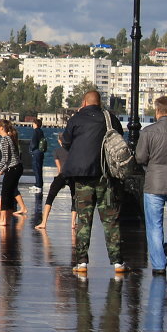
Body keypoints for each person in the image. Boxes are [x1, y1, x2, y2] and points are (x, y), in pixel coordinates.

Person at [60, 90, 127, 275]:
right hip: (106, 176)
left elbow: (66, 142)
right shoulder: (110, 118)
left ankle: (81, 263)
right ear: (100, 103)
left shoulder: (76, 119)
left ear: (84, 102)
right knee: (111, 220)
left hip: (82, 177)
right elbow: (119, 139)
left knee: (84, 219)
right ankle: (118, 263)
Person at [135, 95, 167, 276]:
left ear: (157, 111)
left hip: (154, 182)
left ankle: (159, 265)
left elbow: (140, 157)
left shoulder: (148, 132)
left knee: (154, 225)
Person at [0, 119, 25, 226]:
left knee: (5, 193)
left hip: (13, 168)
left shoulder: (5, 139)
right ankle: (6, 219)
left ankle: (3, 220)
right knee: (9, 193)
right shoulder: (9, 138)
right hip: (16, 168)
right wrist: (3, 171)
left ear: (2, 128)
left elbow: (5, 159)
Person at [34, 147, 76, 231]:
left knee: (50, 197)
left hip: (62, 175)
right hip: (73, 175)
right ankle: (73, 223)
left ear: (60, 141)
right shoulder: (73, 150)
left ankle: (44, 222)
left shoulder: (57, 150)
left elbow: (59, 168)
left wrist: (59, 181)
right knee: (74, 198)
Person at [29, 118, 47, 192]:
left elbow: (34, 142)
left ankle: (38, 185)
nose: (32, 125)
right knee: (39, 169)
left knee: (36, 168)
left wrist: (31, 150)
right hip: (40, 152)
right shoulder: (41, 131)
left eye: (33, 123)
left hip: (36, 152)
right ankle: (39, 184)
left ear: (35, 124)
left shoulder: (36, 131)